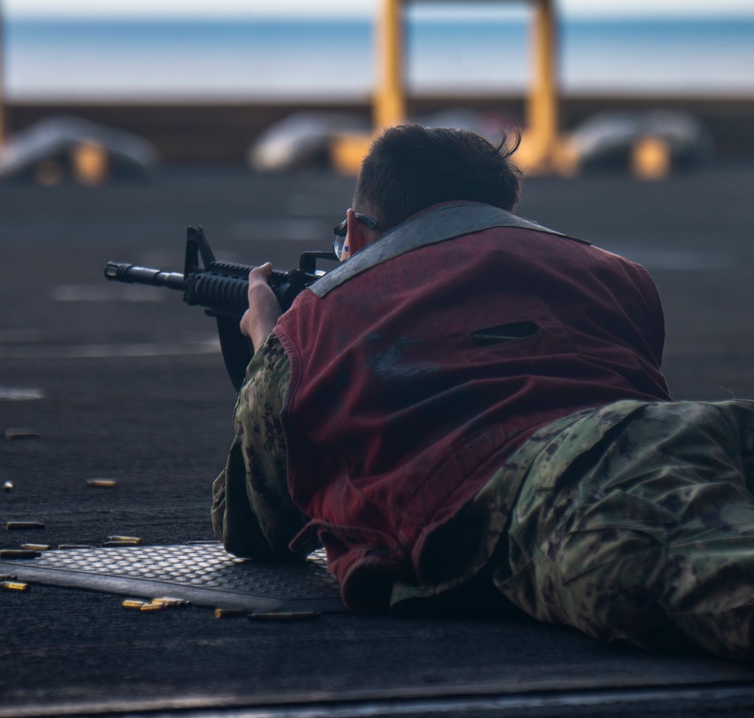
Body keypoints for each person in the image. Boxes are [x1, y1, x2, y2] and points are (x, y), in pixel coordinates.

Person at [211, 124, 754, 661]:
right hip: (701, 433)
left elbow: (256, 525)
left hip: (569, 488)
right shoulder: (615, 273)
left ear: (354, 231)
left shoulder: (313, 323)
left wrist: (267, 347)